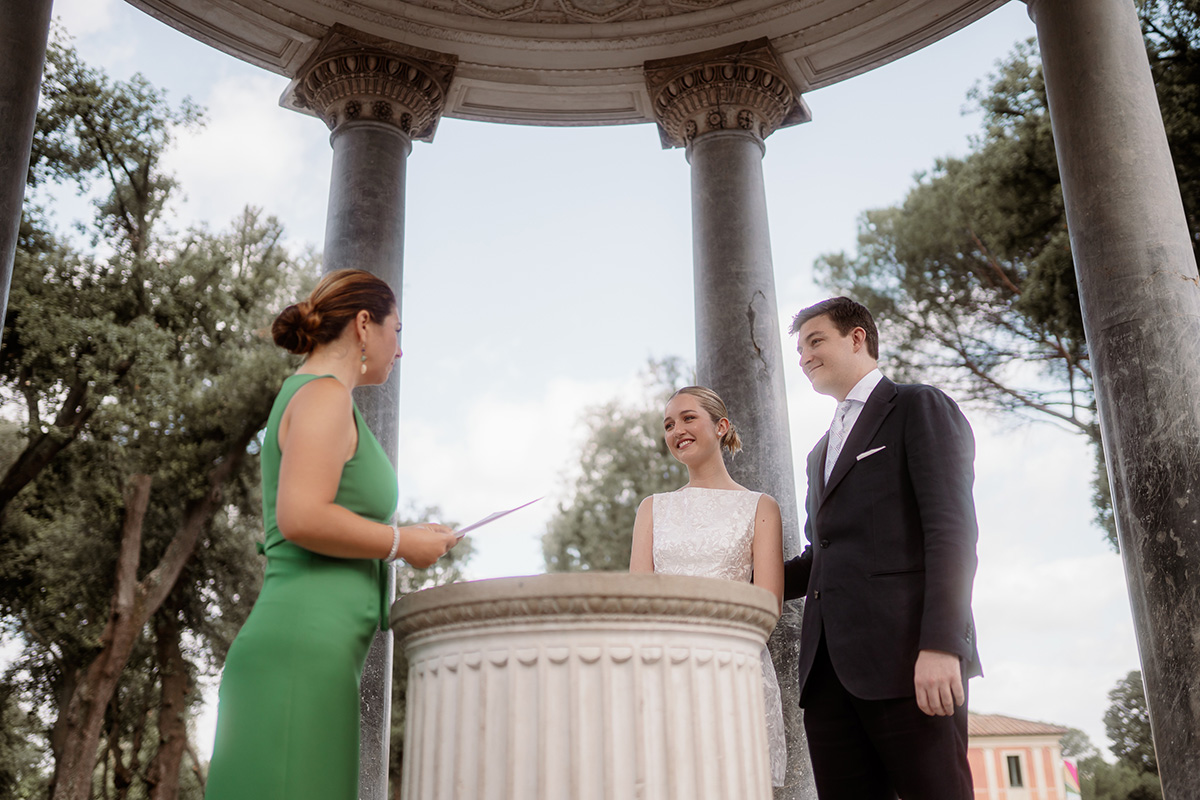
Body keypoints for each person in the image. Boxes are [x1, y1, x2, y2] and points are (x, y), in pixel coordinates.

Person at [204, 269, 460, 800]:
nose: (401, 350)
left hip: (317, 659)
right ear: (365, 325)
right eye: (398, 330)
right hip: (299, 656)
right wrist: (399, 543)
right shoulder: (323, 396)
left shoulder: (320, 396)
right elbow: (301, 516)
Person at [783, 296, 981, 799]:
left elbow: (951, 532)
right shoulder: (818, 453)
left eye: (815, 340)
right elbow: (818, 557)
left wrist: (941, 645)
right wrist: (731, 582)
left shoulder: (918, 406)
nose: (804, 357)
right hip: (827, 679)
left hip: (909, 662)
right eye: (799, 349)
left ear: (857, 337)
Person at [629, 386, 787, 786]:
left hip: (733, 671)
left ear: (722, 426)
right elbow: (637, 602)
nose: (676, 429)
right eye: (668, 424)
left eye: (687, 418)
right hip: (663, 674)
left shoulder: (760, 507)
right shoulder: (652, 508)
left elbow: (768, 606)